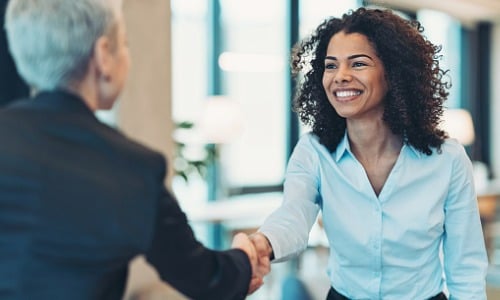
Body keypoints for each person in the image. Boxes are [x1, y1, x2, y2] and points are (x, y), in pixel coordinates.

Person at [0, 0, 268, 299]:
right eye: (124, 44)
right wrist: (244, 258)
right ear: (103, 56)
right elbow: (206, 278)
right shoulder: (132, 168)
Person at [249, 7, 488, 300]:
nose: (341, 76)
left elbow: (466, 267)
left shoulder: (448, 160)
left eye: (358, 64)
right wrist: (263, 243)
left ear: (393, 73)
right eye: (331, 65)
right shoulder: (314, 151)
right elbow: (293, 217)